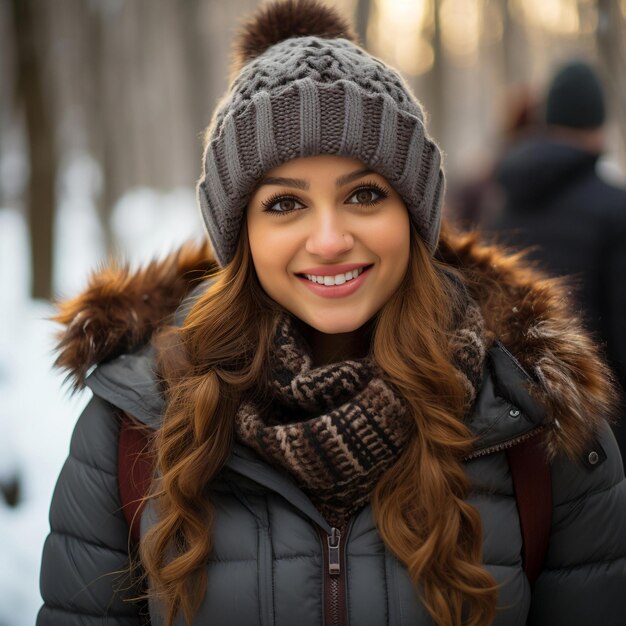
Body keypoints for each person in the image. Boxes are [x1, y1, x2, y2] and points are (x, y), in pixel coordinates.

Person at [38, 2, 626, 625]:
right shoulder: (132, 430)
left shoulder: (536, 423)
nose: (327, 240)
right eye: (285, 203)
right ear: (240, 236)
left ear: (413, 215)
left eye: (364, 194)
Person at [485, 60, 626, 463]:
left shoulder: (504, 207)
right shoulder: (616, 210)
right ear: (598, 124)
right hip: (600, 437)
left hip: (515, 433)